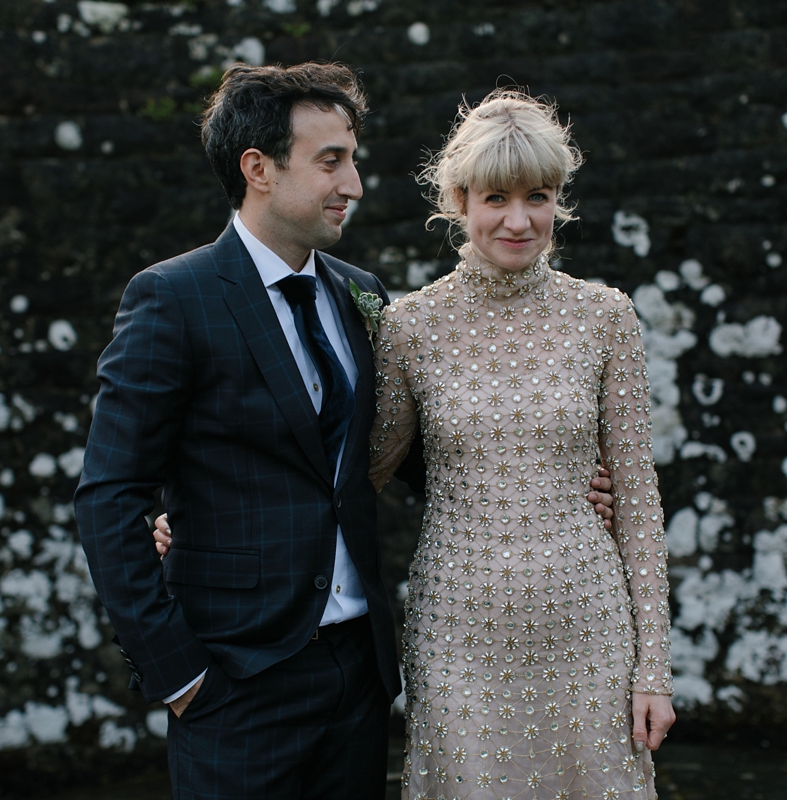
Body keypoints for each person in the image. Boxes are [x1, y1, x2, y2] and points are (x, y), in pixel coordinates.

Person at [75, 63, 409, 800]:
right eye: (332, 161)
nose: (354, 184)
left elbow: (399, 453)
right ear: (257, 168)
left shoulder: (363, 294)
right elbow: (109, 496)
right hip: (236, 686)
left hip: (359, 676)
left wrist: (548, 476)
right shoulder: (172, 297)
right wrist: (181, 675)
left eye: (353, 159)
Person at [367, 90, 676, 799]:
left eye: (537, 196)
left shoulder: (605, 317)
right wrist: (199, 516)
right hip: (459, 635)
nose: (518, 219)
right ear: (457, 199)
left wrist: (652, 669)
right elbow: (360, 473)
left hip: (590, 629)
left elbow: (636, 501)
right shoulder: (411, 326)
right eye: (495, 198)